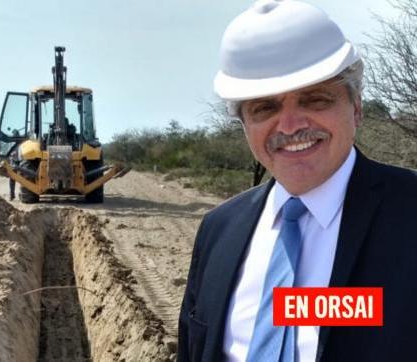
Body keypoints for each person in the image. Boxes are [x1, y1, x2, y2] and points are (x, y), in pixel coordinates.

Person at [178, 1, 417, 361]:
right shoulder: (218, 231)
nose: (290, 126)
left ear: (356, 106)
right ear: (244, 124)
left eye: (315, 99)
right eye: (265, 108)